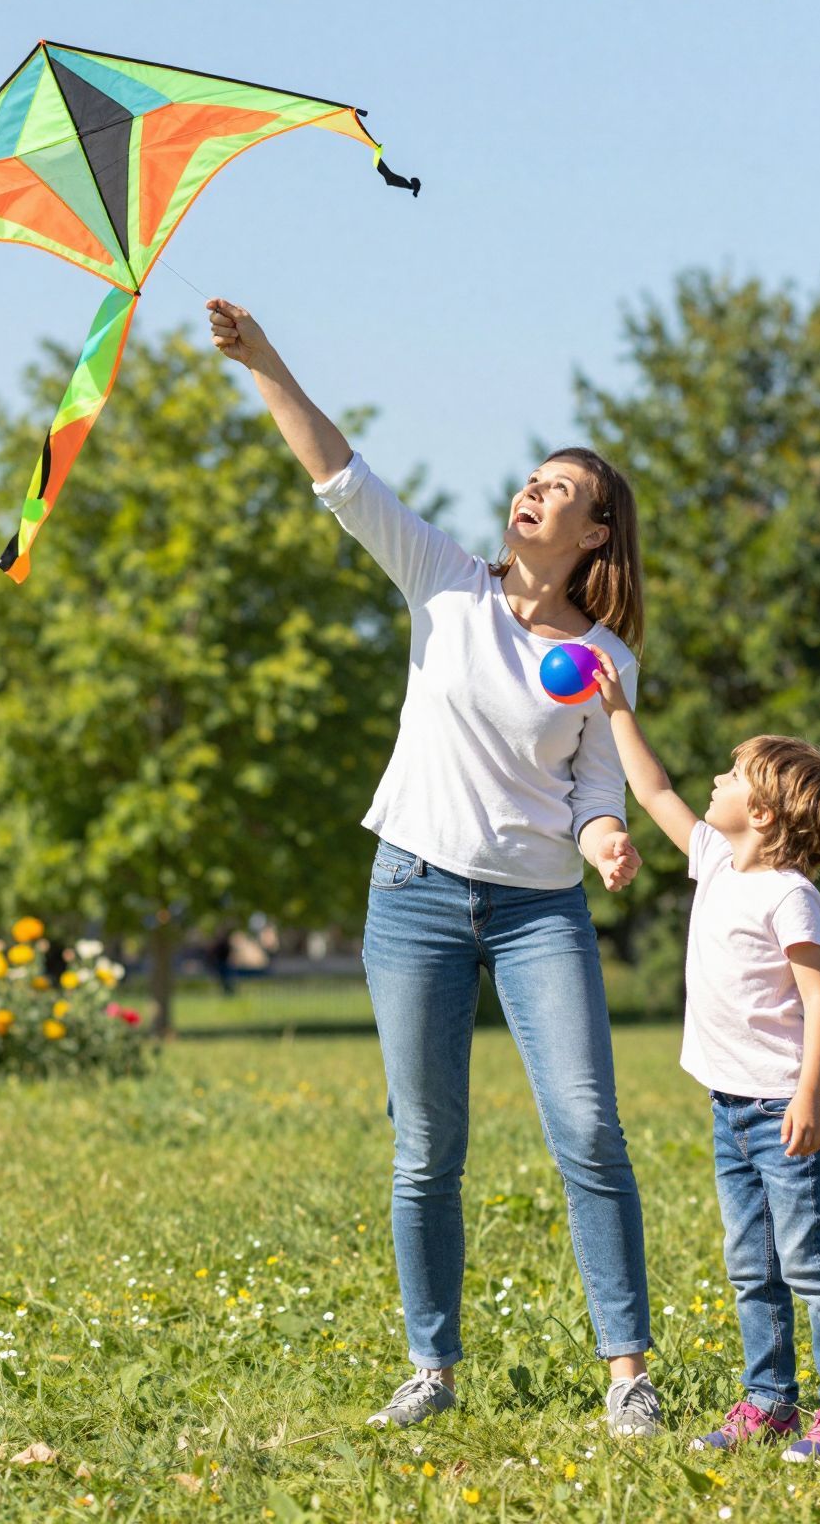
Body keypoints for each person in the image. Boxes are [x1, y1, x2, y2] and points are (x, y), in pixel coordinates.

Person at [208, 301, 662, 1437]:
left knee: (589, 1130)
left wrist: (604, 836)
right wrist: (268, 362)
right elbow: (340, 475)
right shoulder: (445, 585)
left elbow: (596, 788)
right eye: (534, 478)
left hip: (536, 911)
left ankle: (627, 1376)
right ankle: (430, 1367)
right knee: (427, 1150)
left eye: (562, 490)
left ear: (596, 533)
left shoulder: (602, 657)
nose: (535, 491)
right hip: (412, 893)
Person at [588, 649, 820, 1461]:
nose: (716, 780)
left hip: (781, 1110)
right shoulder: (718, 859)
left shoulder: (790, 894)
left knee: (807, 1261)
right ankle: (770, 1400)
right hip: (728, 1107)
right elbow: (652, 791)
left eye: (733, 774)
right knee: (750, 1265)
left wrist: (806, 1094)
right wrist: (617, 709)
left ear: (764, 814)